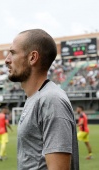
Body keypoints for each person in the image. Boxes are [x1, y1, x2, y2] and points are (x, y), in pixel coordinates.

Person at [5, 29, 79, 170]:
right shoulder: (35, 98)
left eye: (13, 53)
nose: (7, 60)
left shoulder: (51, 100)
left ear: (32, 57)